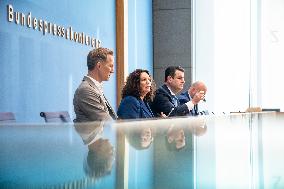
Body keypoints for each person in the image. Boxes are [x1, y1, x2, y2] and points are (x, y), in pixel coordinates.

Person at [73, 47, 117, 122]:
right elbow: (107, 122)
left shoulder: (94, 87)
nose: (113, 71)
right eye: (110, 66)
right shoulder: (86, 90)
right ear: (99, 66)